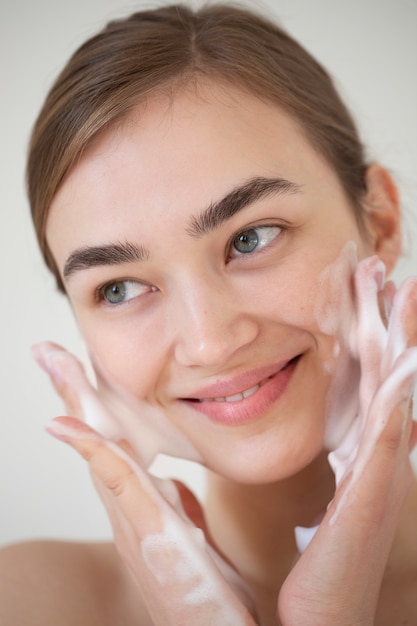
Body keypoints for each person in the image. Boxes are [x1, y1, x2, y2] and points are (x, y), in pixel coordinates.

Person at [0, 3, 416, 624]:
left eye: (252, 237)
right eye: (118, 289)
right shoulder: (27, 601)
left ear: (380, 220)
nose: (210, 342)